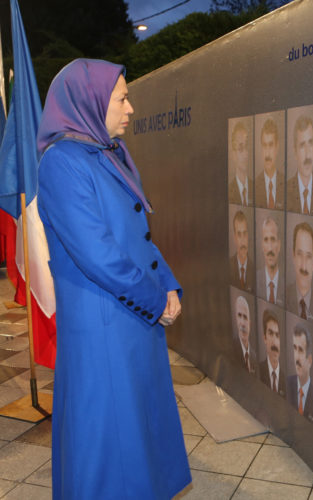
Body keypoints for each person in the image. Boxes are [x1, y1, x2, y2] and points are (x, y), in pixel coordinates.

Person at [36, 59, 190, 499]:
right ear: (91, 102)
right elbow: (100, 255)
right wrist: (155, 300)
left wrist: (169, 284)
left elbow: (138, 234)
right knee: (108, 450)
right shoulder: (62, 164)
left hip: (131, 319)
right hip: (104, 331)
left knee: (138, 442)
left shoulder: (110, 153)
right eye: (122, 98)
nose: (131, 108)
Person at [287, 115, 313, 215]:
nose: (308, 154)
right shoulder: (285, 191)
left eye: (310, 143)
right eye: (302, 145)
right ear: (295, 152)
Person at [286, 222, 313, 320]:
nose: (303, 266)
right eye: (299, 254)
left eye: (308, 256)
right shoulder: (283, 296)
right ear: (293, 257)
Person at [286, 324, 313, 423]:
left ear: (309, 360)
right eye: (294, 348)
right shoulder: (286, 383)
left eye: (300, 350)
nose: (296, 357)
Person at [255, 118, 285, 209]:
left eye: (271, 145)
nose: (267, 153)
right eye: (264, 145)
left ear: (277, 147)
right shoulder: (254, 185)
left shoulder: (286, 184)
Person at [256, 216, 284, 305]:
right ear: (262, 246)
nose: (270, 248)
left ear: (279, 245)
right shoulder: (255, 280)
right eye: (266, 240)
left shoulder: (287, 285)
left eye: (273, 239)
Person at [259, 309, 285, 397]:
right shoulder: (258, 371)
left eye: (277, 335)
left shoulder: (287, 382)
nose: (275, 342)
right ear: (264, 338)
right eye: (270, 333)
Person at [229, 210, 255, 293]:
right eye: (239, 234)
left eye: (245, 233)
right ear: (234, 238)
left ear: (248, 236)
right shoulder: (227, 267)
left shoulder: (255, 271)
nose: (243, 240)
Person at [228, 121, 253, 206]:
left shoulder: (256, 188)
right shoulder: (228, 191)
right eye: (241, 148)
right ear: (233, 155)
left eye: (247, 147)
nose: (245, 154)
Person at [233, 295, 256, 373]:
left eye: (245, 317)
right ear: (236, 319)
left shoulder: (254, 358)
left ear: (250, 323)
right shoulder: (231, 350)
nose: (242, 323)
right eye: (239, 316)